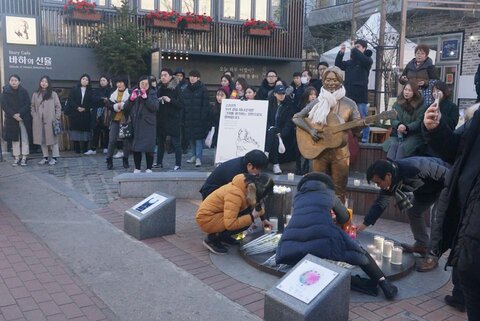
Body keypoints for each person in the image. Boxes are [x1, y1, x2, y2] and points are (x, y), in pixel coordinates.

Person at [276, 172, 398, 300]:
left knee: (312, 260)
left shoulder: (298, 196)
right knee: (357, 252)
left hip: (290, 243)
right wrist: (335, 219)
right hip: (323, 236)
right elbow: (344, 216)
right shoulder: (329, 194)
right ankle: (384, 283)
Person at [422, 96, 480, 320]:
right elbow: (456, 149)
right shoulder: (476, 117)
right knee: (470, 279)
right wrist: (436, 129)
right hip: (467, 219)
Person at [293, 66, 361, 203]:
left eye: (334, 80)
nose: (331, 83)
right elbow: (297, 118)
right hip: (319, 152)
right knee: (317, 188)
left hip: (340, 154)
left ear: (340, 81)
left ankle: (338, 220)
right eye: (327, 79)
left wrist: (359, 127)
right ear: (323, 81)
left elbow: (357, 131)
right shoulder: (317, 102)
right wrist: (310, 130)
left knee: (339, 190)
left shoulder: (350, 104)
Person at [357, 157, 449, 256]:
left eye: (378, 182)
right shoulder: (391, 181)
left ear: (388, 175)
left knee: (437, 217)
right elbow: (380, 204)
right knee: (414, 211)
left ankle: (433, 254)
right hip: (426, 190)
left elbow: (447, 174)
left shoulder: (414, 167)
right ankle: (422, 245)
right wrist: (362, 226)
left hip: (445, 184)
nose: (378, 186)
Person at [196, 173, 274, 254]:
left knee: (247, 216)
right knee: (247, 219)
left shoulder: (248, 185)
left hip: (217, 214)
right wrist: (252, 216)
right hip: (207, 220)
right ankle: (212, 239)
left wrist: (263, 220)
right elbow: (230, 224)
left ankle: (224, 236)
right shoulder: (234, 195)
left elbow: (256, 204)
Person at [335, 39, 373, 143]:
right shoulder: (350, 62)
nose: (355, 49)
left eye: (358, 47)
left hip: (361, 95)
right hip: (349, 94)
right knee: (346, 117)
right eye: (355, 47)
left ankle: (365, 138)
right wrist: (341, 52)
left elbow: (362, 58)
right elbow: (338, 65)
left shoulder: (367, 60)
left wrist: (353, 49)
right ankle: (347, 138)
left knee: (362, 117)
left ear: (364, 49)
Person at [382, 81, 427, 160]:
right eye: (405, 89)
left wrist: (406, 127)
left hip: (414, 135)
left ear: (415, 92)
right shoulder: (397, 103)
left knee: (403, 148)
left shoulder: (421, 106)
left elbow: (419, 121)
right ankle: (389, 167)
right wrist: (399, 125)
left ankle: (397, 168)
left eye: (410, 90)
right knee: (392, 145)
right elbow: (393, 119)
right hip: (397, 134)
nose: (406, 92)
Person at [199, 149, 269, 199]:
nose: (259, 173)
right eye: (259, 170)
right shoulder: (236, 172)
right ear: (250, 165)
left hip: (220, 190)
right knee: (238, 198)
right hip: (210, 193)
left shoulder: (244, 163)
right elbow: (233, 193)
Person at [124, 75, 158, 173]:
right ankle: (137, 167)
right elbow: (126, 108)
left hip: (149, 124)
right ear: (138, 84)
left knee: (149, 147)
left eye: (146, 84)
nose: (144, 85)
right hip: (136, 124)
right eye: (142, 83)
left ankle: (149, 167)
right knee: (136, 147)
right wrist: (131, 99)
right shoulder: (134, 92)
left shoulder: (153, 93)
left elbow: (155, 107)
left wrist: (146, 98)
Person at [154, 68, 183, 170]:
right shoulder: (159, 87)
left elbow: (181, 104)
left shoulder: (176, 88)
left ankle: (178, 164)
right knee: (160, 142)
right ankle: (158, 162)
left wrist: (170, 100)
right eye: (161, 75)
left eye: (165, 75)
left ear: (171, 77)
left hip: (173, 119)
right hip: (161, 119)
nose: (163, 77)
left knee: (176, 143)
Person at [265, 85, 297, 175]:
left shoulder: (289, 105)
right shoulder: (269, 104)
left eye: (283, 93)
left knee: (274, 133)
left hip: (282, 133)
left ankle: (266, 154)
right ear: (275, 94)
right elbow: (265, 118)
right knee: (273, 136)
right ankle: (276, 165)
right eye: (279, 94)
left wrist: (281, 134)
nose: (281, 95)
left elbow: (288, 123)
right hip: (270, 133)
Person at [1, 74, 32, 166]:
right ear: (9, 82)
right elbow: (4, 106)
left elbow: (27, 104)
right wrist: (14, 115)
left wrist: (19, 114)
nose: (13, 82)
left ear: (19, 82)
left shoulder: (24, 91)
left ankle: (25, 157)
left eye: (15, 80)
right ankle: (17, 157)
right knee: (15, 139)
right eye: (12, 80)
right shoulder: (5, 93)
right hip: (11, 119)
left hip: (23, 118)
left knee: (24, 138)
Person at [31, 76, 62, 165]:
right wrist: (34, 116)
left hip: (50, 121)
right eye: (42, 81)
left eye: (46, 82)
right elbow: (32, 106)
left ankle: (55, 157)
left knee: (53, 140)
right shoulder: (35, 94)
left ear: (49, 84)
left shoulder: (53, 94)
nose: (43, 83)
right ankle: (45, 157)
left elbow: (58, 106)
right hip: (39, 122)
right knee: (42, 140)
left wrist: (56, 117)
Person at [182, 70, 210, 167]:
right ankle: (193, 156)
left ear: (198, 78)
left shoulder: (203, 89)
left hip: (199, 119)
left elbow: (206, 105)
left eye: (194, 76)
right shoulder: (186, 89)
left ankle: (198, 158)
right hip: (189, 118)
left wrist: (203, 118)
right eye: (190, 76)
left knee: (198, 139)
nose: (192, 78)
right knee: (191, 139)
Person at [105, 77, 132, 170]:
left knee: (126, 141)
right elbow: (108, 105)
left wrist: (124, 105)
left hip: (125, 120)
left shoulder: (130, 93)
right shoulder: (113, 94)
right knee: (112, 140)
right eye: (117, 82)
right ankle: (109, 160)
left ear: (125, 83)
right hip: (115, 120)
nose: (119, 84)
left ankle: (125, 160)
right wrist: (116, 106)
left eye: (121, 82)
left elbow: (131, 105)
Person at [65, 74, 94, 154]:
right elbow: (70, 100)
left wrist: (85, 108)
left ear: (88, 82)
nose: (85, 81)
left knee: (85, 132)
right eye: (83, 79)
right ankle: (77, 149)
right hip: (76, 113)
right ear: (80, 80)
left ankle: (85, 148)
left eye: (86, 79)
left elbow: (92, 102)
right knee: (75, 131)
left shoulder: (91, 91)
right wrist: (77, 107)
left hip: (86, 113)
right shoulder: (74, 89)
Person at [85, 75, 112, 155]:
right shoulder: (96, 90)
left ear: (107, 81)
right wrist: (102, 99)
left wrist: (104, 99)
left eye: (104, 80)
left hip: (107, 113)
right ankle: (93, 148)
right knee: (96, 131)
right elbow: (93, 99)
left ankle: (106, 147)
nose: (102, 82)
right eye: (101, 80)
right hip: (97, 114)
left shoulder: (110, 90)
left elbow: (111, 99)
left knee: (107, 131)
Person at [294, 86, 318, 175]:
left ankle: (306, 168)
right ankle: (298, 167)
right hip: (301, 130)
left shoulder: (318, 106)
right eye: (311, 94)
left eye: (315, 94)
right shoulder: (301, 106)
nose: (313, 96)